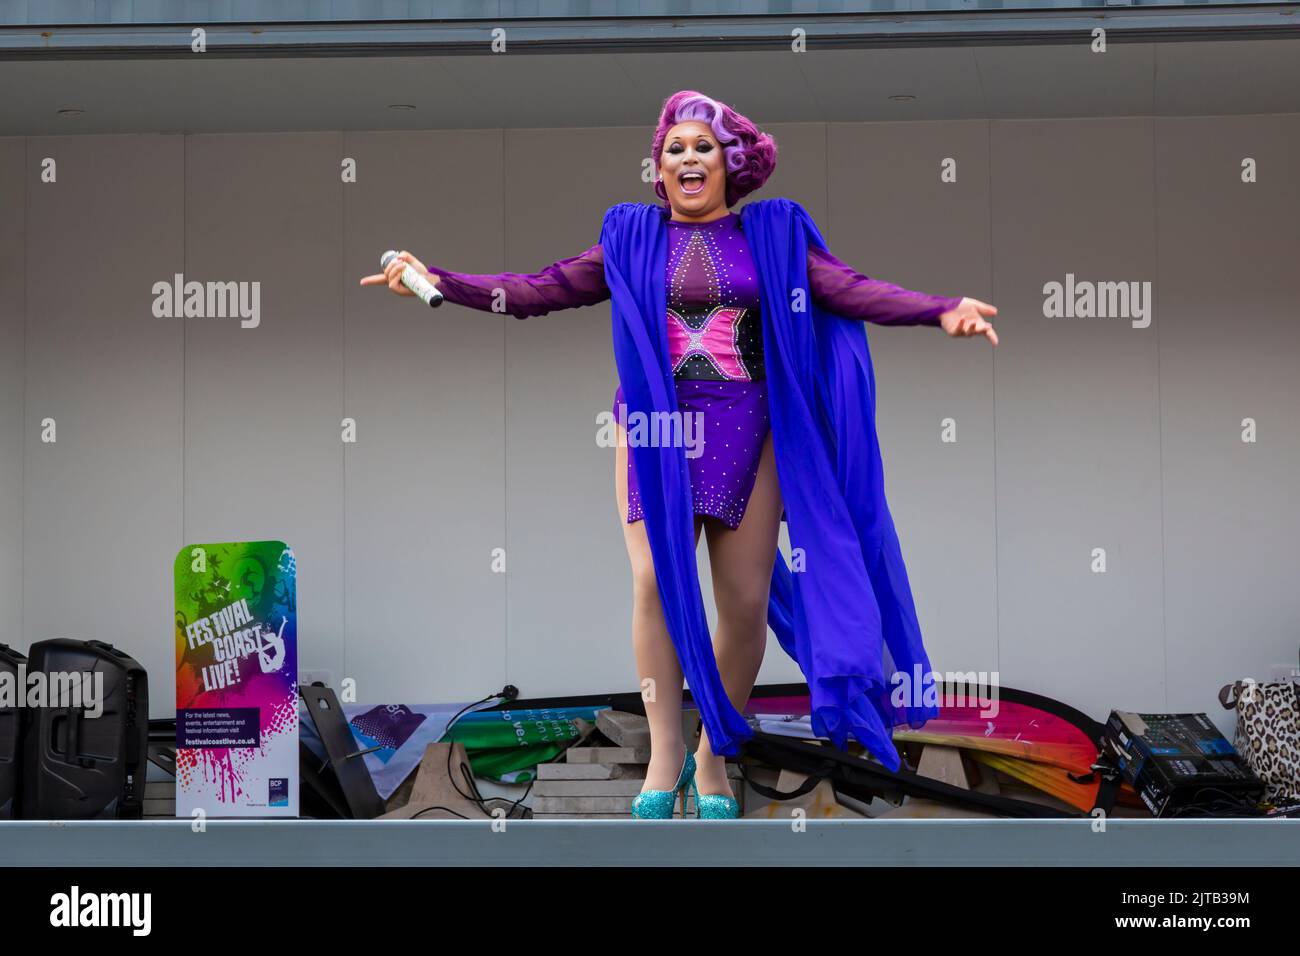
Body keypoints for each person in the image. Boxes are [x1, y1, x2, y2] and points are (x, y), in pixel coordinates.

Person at [362, 89, 998, 819]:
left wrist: (936, 309)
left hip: (747, 427)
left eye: (704, 147)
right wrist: (441, 282)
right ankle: (666, 753)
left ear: (731, 165)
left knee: (747, 603)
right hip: (657, 429)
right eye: (675, 148)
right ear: (658, 170)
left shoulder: (774, 234)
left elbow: (848, 289)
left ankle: (710, 754)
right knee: (654, 583)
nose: (689, 158)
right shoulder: (632, 240)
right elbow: (536, 289)